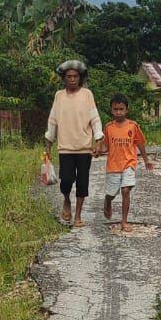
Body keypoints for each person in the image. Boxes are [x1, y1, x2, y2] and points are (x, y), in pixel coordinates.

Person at [45, 59, 103, 227]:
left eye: (75, 76)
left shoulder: (87, 94)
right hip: (65, 148)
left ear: (80, 77)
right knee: (66, 181)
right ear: (64, 78)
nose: (72, 79)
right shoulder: (59, 96)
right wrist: (48, 144)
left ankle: (78, 215)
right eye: (69, 76)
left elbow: (95, 119)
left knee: (82, 183)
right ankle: (66, 200)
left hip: (84, 148)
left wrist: (98, 140)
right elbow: (52, 121)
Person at [102, 95, 153, 232]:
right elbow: (105, 147)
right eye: (115, 109)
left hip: (129, 163)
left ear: (127, 110)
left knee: (125, 190)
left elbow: (140, 143)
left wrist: (146, 159)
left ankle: (124, 221)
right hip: (113, 166)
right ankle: (107, 201)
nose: (118, 112)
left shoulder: (133, 126)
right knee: (112, 194)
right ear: (111, 110)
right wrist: (96, 152)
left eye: (121, 109)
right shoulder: (108, 127)